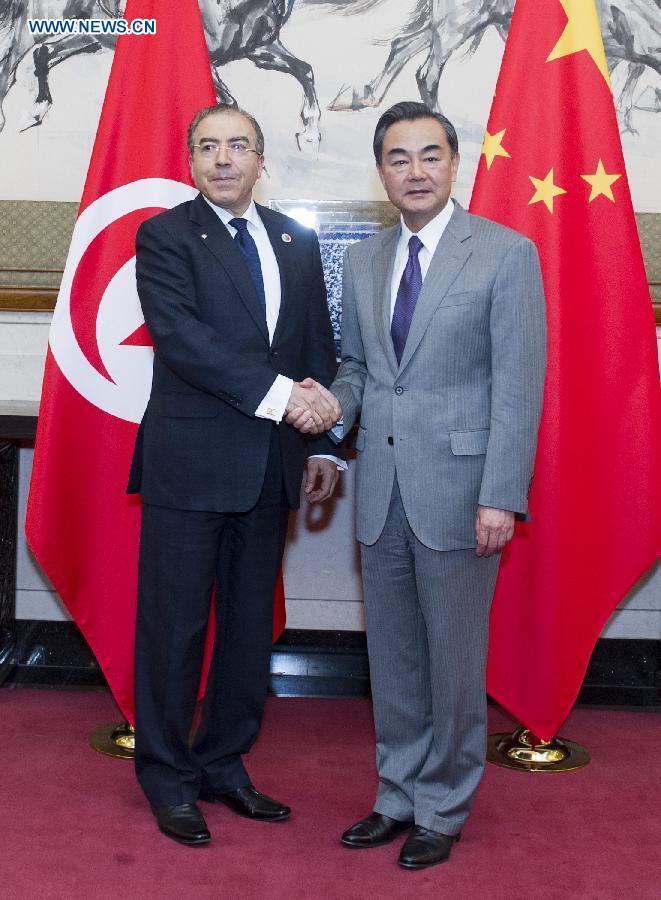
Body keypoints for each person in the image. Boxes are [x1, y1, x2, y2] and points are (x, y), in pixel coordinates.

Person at [291, 101, 546, 869]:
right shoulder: (364, 260)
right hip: (381, 493)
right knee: (394, 659)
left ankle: (441, 806)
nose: (415, 171)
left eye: (429, 155)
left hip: (463, 495)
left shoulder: (505, 253)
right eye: (398, 158)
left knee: (453, 665)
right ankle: (395, 795)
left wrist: (500, 494)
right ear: (380, 171)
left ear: (454, 163)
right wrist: (331, 409)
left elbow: (517, 386)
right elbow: (360, 369)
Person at [127, 102, 342, 846]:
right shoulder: (163, 236)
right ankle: (167, 778)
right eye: (208, 146)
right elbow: (182, 340)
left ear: (260, 159)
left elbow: (315, 342)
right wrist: (285, 400)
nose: (223, 159)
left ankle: (223, 764)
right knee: (174, 630)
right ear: (190, 160)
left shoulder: (294, 240)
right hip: (189, 466)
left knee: (249, 631)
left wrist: (323, 445)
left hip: (270, 469)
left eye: (238, 145)